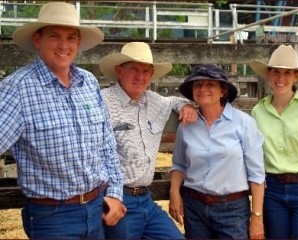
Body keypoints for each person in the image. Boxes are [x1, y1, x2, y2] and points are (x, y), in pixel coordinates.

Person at [0, 2, 126, 239]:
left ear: (78, 43)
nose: (64, 45)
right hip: (52, 217)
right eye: (54, 36)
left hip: (97, 207)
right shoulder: (18, 88)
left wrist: (115, 193)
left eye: (71, 37)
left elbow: (107, 143)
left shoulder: (88, 82)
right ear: (38, 40)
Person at [99, 41, 197, 239]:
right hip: (118, 198)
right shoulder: (102, 101)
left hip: (146, 199)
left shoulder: (153, 101)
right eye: (134, 69)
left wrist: (187, 106)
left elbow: (175, 101)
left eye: (146, 71)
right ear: (119, 70)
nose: (140, 76)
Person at [169, 64, 265, 239]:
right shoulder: (187, 125)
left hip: (233, 209)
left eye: (210, 84)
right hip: (194, 206)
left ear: (223, 91)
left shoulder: (244, 123)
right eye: (198, 85)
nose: (203, 89)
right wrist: (174, 192)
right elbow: (179, 164)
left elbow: (257, 175)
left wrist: (257, 217)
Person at [250, 44, 298, 239]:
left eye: (287, 73)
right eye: (276, 72)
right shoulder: (258, 111)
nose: (281, 79)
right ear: (269, 75)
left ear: (296, 76)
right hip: (271, 190)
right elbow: (255, 156)